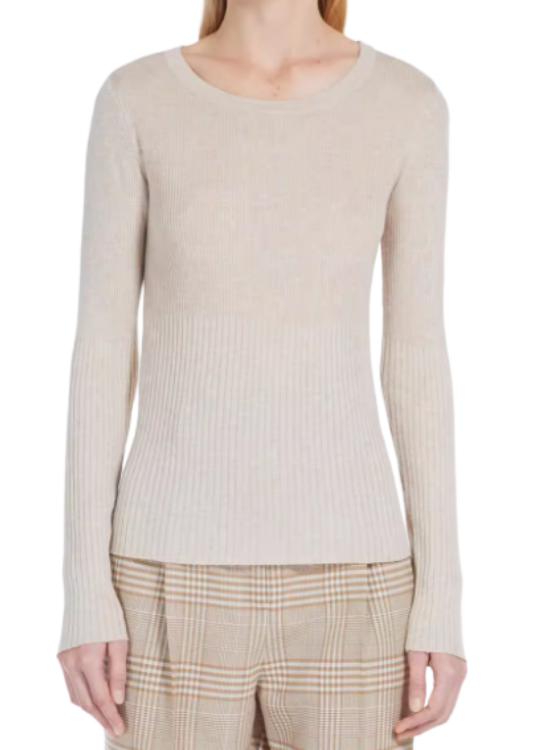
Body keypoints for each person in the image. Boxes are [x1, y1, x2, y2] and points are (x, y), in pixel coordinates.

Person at [56, 0, 467, 746]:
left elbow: (417, 354)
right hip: (165, 578)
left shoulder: (406, 103)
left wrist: (442, 597)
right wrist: (85, 589)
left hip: (357, 584)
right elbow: (103, 350)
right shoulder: (137, 99)